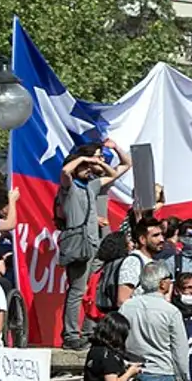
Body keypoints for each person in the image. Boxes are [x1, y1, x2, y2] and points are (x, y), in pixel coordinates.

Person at [57, 139, 134, 348]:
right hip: (77, 244)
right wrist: (82, 158)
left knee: (93, 287)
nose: (88, 169)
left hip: (93, 244)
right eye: (85, 167)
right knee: (77, 290)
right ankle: (71, 335)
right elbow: (65, 171)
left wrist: (98, 163)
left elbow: (112, 174)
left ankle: (87, 330)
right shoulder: (69, 187)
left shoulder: (90, 185)